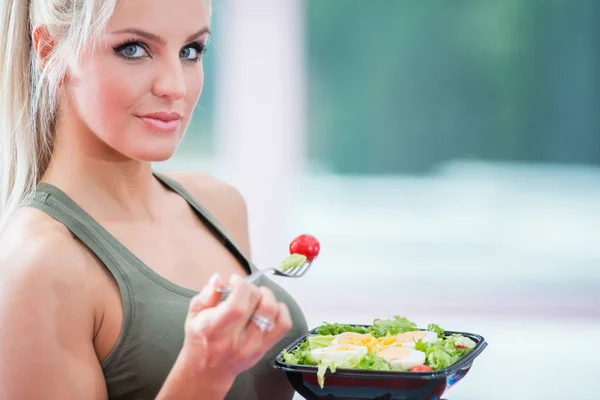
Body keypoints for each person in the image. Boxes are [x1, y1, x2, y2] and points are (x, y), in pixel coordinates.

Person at [0, 0, 308, 399]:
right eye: (133, 49)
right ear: (50, 51)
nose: (175, 86)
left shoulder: (220, 206)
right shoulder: (38, 264)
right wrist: (202, 374)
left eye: (190, 51)